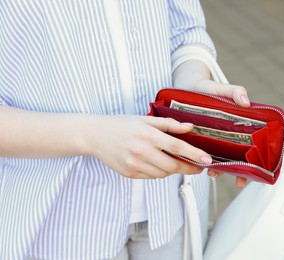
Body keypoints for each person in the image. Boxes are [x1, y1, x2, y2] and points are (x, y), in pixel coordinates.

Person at [0, 1, 250, 259]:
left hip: (172, 207)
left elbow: (185, 30)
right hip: (57, 223)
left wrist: (191, 88)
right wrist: (91, 136)